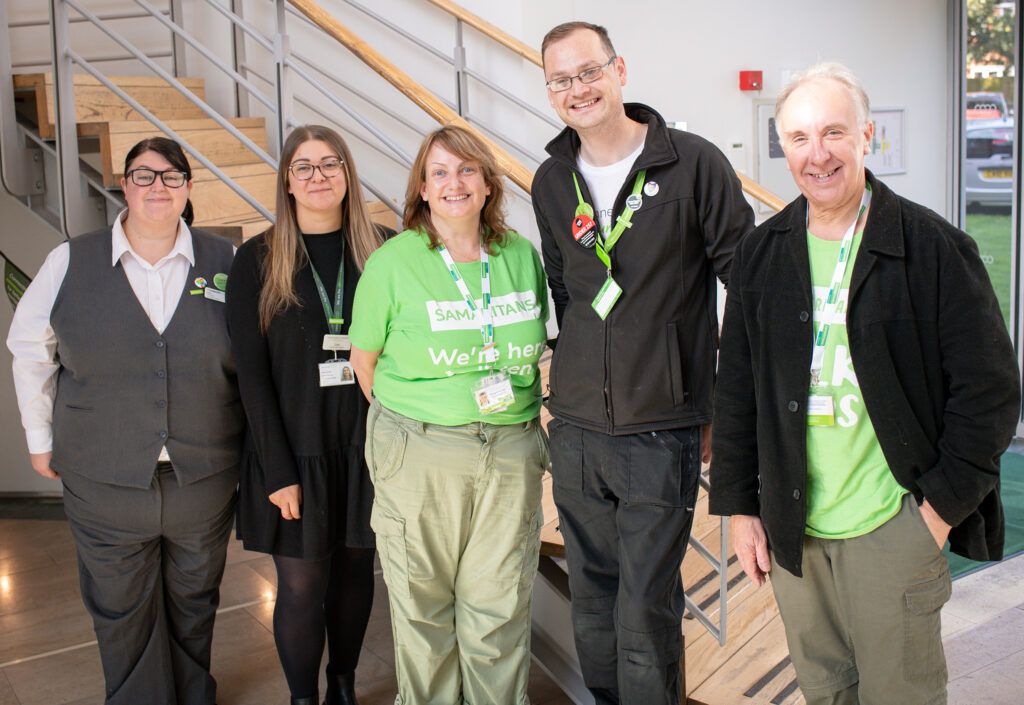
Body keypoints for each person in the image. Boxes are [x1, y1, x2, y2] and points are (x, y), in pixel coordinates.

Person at [709, 62, 1021, 705]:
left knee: (900, 695)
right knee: (826, 692)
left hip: (893, 524)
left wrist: (934, 516)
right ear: (783, 147)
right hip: (796, 530)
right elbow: (737, 390)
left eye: (833, 132)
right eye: (799, 138)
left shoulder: (933, 248)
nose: (817, 154)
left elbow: (990, 392)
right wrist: (742, 509)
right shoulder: (761, 254)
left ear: (866, 136)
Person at [531, 21, 753, 704]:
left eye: (588, 71)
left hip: (661, 426)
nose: (577, 89)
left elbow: (746, 286)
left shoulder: (694, 164)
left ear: (619, 70)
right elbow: (567, 291)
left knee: (644, 609)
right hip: (576, 429)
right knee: (593, 604)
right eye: (561, 79)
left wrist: (713, 399)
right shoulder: (551, 179)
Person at [7, 137, 243, 705]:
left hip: (203, 476)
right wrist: (39, 438)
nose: (157, 186)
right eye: (143, 175)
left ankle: (192, 695)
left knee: (195, 600)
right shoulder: (69, 260)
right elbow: (30, 349)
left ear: (188, 188)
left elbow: (255, 358)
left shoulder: (228, 261)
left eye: (171, 176)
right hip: (103, 477)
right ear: (123, 186)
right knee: (121, 609)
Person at [348, 125, 549, 705]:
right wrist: (428, 420)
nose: (453, 183)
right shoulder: (393, 262)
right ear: (422, 188)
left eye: (466, 170)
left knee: (500, 613)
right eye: (439, 172)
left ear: (487, 184)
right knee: (425, 617)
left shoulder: (520, 256)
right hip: (421, 451)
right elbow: (365, 365)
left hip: (509, 451)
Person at [226, 125, 390, 705]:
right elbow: (251, 375)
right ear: (288, 182)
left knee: (356, 575)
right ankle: (303, 698)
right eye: (304, 166)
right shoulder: (257, 259)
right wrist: (278, 472)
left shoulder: (384, 250)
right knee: (301, 584)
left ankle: (343, 685)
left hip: (369, 447)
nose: (318, 176)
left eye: (330, 164)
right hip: (294, 451)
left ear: (347, 174)